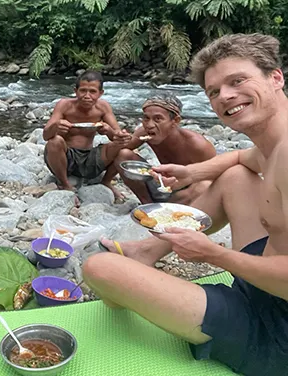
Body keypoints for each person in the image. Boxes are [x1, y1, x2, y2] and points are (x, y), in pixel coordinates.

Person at [84, 34, 288, 376]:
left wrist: (213, 255)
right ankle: (146, 251)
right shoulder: (275, 142)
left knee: (99, 268)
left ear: (276, 77)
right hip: (264, 278)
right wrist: (191, 171)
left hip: (274, 332)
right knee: (236, 176)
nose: (225, 96)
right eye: (214, 91)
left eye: (237, 81)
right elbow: (243, 157)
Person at [106, 93, 216, 204]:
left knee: (205, 185)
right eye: (146, 118)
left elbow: (216, 178)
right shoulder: (144, 133)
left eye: (158, 119)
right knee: (123, 153)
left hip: (187, 194)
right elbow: (118, 154)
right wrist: (106, 181)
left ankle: (173, 211)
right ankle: (147, 204)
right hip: (162, 184)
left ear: (175, 121)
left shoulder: (197, 145)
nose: (149, 125)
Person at [43, 70, 132, 198]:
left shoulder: (103, 107)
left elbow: (117, 136)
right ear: (75, 91)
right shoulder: (64, 105)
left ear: (100, 93)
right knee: (54, 141)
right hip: (67, 159)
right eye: (83, 90)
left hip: (91, 159)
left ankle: (106, 182)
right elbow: (46, 135)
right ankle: (65, 183)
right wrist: (56, 127)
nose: (87, 96)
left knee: (122, 147)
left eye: (92, 92)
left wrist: (109, 131)